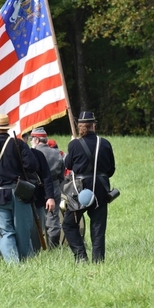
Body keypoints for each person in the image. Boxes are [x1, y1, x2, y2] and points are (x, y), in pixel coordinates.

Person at [0, 114, 39, 263]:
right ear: (8, 128)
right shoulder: (19, 144)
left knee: (5, 231)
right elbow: (32, 165)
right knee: (23, 230)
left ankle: (13, 263)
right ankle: (24, 261)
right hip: (20, 192)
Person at [63, 111, 116, 263]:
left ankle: (81, 257)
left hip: (79, 189)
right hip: (100, 188)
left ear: (80, 127)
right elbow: (111, 169)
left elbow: (68, 165)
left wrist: (72, 146)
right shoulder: (105, 143)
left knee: (69, 224)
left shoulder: (74, 144)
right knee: (98, 226)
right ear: (93, 125)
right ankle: (98, 260)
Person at [30, 127, 63, 248]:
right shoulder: (56, 153)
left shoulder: (33, 154)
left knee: (37, 218)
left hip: (37, 188)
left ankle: (38, 246)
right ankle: (53, 247)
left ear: (36, 140)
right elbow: (62, 173)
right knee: (53, 219)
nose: (31, 142)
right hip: (55, 186)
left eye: (32, 139)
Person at [24, 131, 56, 252]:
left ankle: (35, 254)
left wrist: (50, 197)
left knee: (38, 229)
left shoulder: (38, 155)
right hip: (19, 198)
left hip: (37, 197)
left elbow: (47, 177)